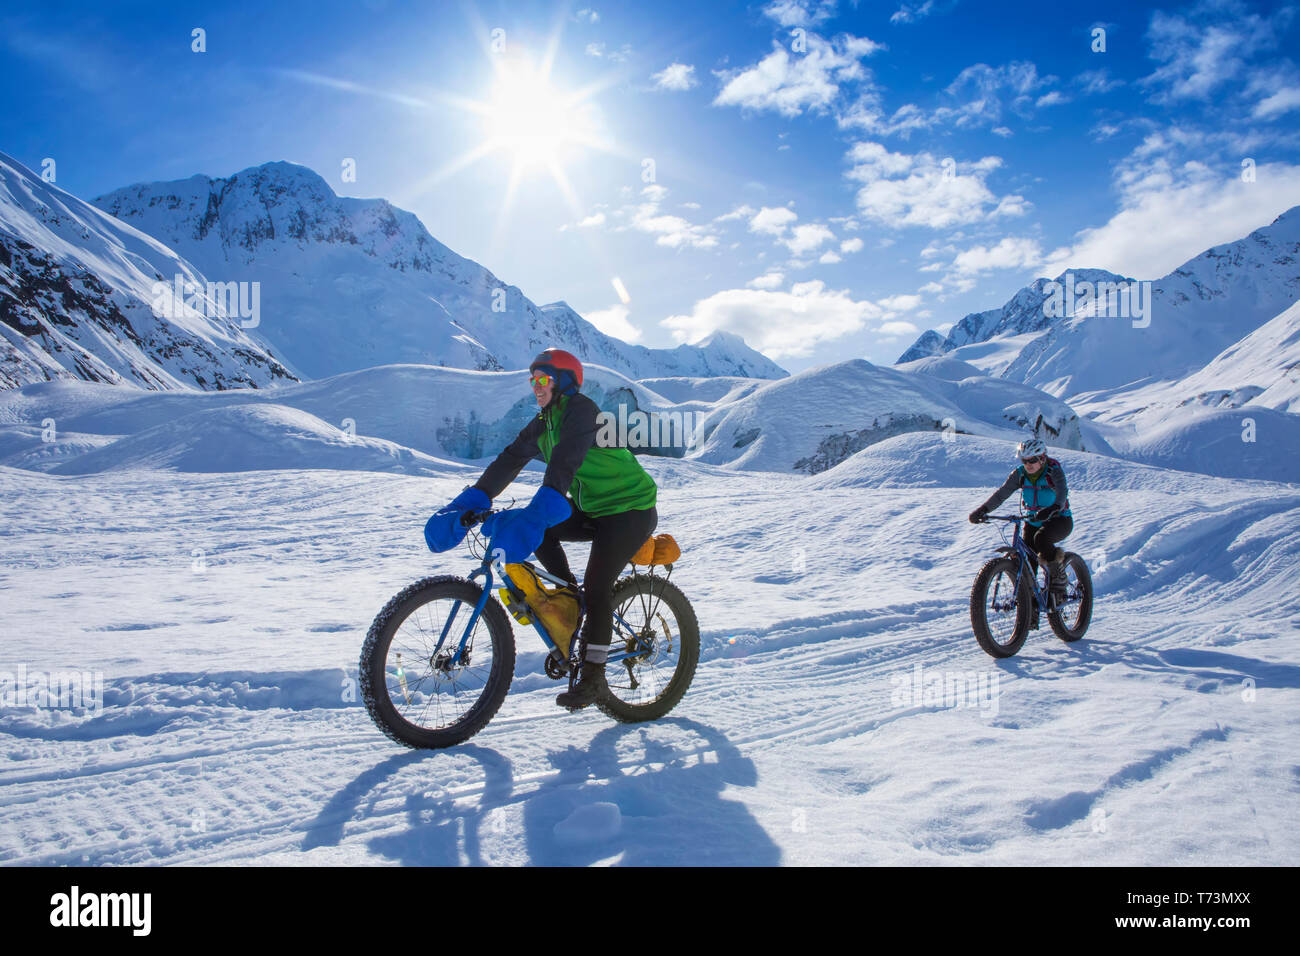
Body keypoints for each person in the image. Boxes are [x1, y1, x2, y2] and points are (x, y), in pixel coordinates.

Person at [425, 348, 658, 710]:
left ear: (563, 381)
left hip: (630, 510)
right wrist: (475, 499)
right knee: (545, 531)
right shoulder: (545, 421)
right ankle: (570, 600)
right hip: (593, 508)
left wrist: (542, 505)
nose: (535, 386)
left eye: (542, 378)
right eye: (532, 379)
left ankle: (594, 678)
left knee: (598, 587)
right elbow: (511, 458)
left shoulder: (581, 411)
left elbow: (565, 462)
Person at [968, 437, 1073, 607]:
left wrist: (1054, 507)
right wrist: (983, 510)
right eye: (1024, 460)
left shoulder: (1053, 471)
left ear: (1042, 458)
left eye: (1032, 460)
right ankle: (1029, 610)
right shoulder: (1020, 474)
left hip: (1059, 519)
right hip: (1033, 520)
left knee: (1041, 539)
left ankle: (1059, 578)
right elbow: (1002, 494)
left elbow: (1062, 492)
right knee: (1026, 564)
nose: (1028, 464)